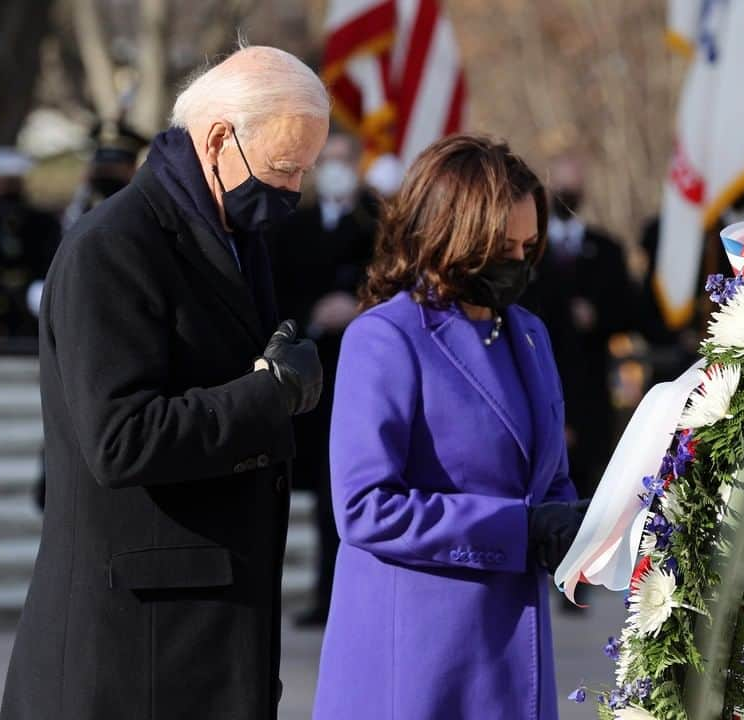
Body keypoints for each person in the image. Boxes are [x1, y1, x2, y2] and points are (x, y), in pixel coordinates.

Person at [0, 46, 329, 720]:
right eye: (283, 167)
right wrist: (271, 395)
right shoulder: (114, 246)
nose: (293, 189)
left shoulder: (234, 236)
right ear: (217, 140)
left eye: (303, 171)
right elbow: (119, 440)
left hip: (212, 636)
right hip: (136, 650)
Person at [314, 135, 588, 720]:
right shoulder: (385, 338)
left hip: (515, 655)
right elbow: (365, 507)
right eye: (502, 247)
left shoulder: (531, 334)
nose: (518, 262)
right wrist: (521, 529)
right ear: (451, 236)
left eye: (529, 246)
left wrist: (588, 529)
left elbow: (549, 484)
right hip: (418, 664)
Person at [269, 132, 377, 627]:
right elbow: (278, 290)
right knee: (316, 491)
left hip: (363, 374)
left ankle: (358, 593)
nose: (335, 169)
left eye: (343, 160)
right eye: (326, 162)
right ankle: (324, 592)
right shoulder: (293, 226)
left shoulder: (380, 222)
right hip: (311, 377)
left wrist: (358, 308)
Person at [523, 153, 635, 501]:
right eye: (560, 186)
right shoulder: (527, 252)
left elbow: (631, 313)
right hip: (539, 378)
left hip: (590, 392)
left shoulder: (606, 250)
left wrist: (597, 317)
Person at [0, 146, 61, 336]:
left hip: (29, 313)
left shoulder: (43, 223)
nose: (6, 190)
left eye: (12, 183)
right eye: (0, 183)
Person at [60, 118, 149, 231]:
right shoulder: (78, 210)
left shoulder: (143, 212)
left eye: (114, 171)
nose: (107, 176)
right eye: (102, 170)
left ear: (133, 171)